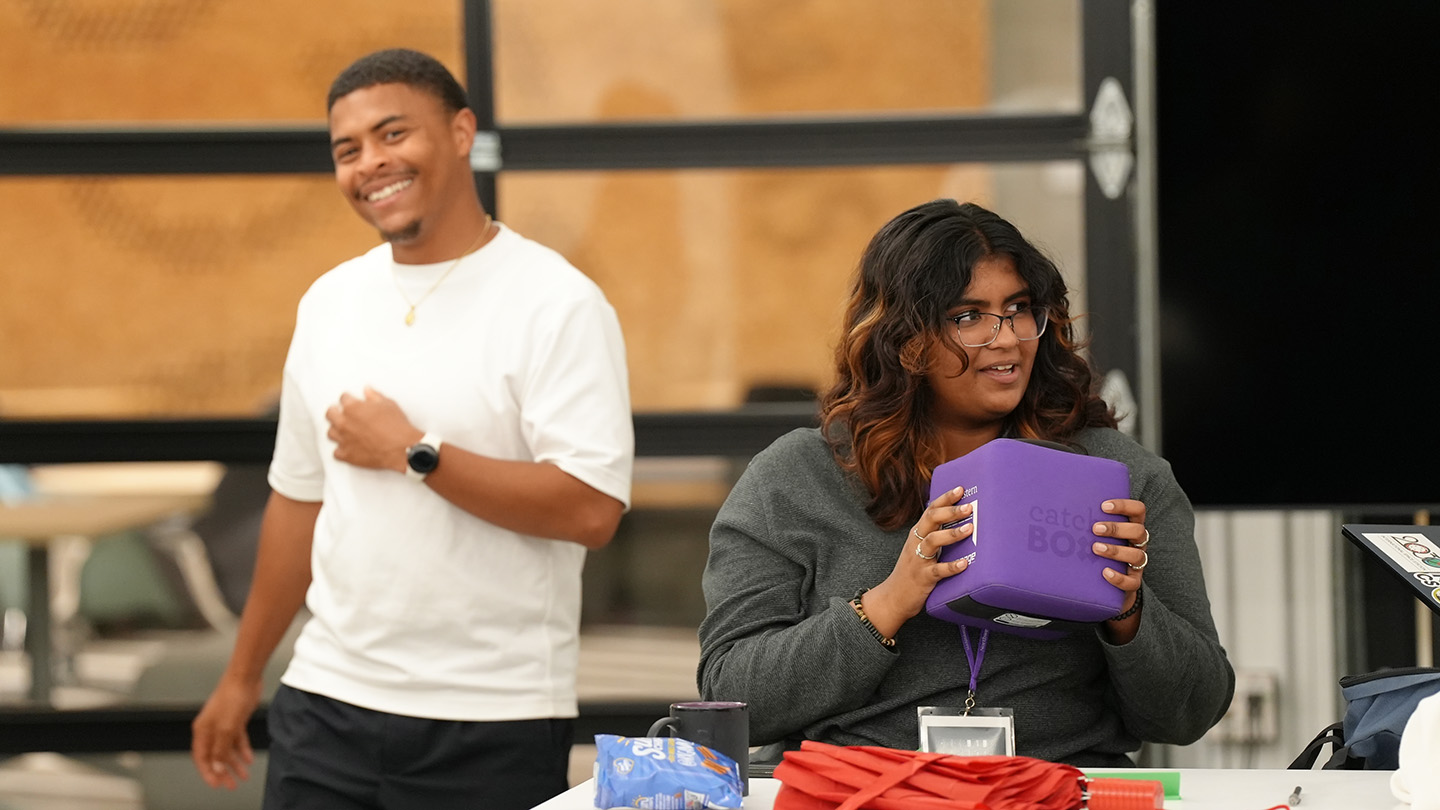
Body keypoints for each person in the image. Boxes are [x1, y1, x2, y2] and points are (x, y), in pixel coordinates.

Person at [189, 48, 633, 810]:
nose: (371, 163)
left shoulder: (556, 302)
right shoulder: (329, 302)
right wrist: (241, 677)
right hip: (325, 703)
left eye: (393, 134)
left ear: (461, 132)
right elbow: (298, 501)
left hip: (494, 718)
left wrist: (415, 454)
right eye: (347, 149)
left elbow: (590, 510)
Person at [697, 199, 1233, 766]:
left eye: (1019, 309)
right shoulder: (797, 478)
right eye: (967, 317)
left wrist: (1128, 612)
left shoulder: (1119, 478)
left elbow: (1192, 712)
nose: (1005, 339)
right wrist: (886, 604)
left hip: (1053, 793)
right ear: (905, 340)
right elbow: (733, 695)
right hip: (860, 796)